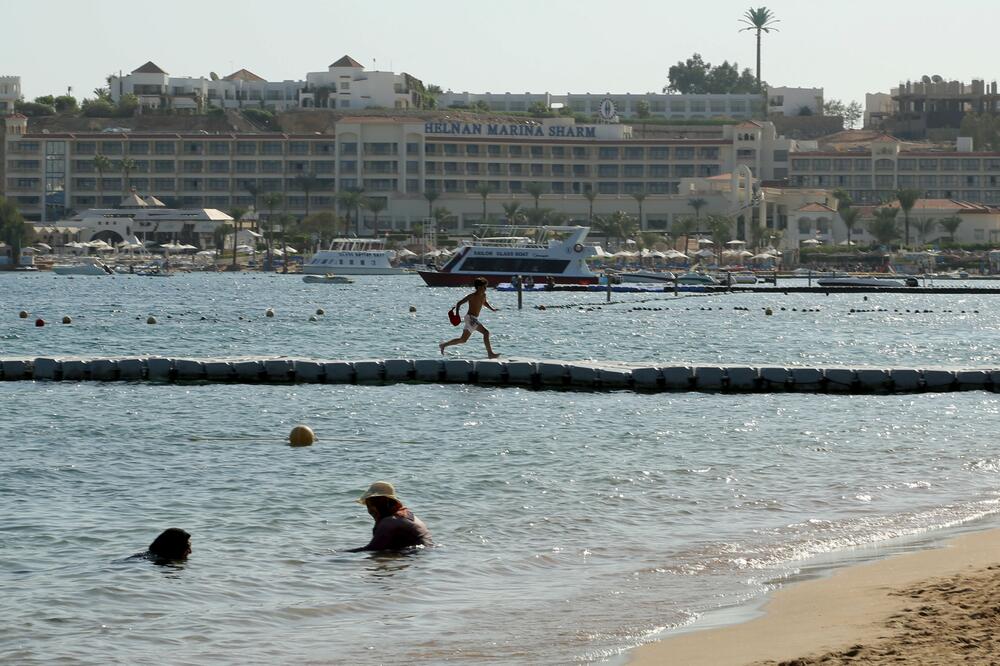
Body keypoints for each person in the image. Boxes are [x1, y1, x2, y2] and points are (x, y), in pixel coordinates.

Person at [347, 481, 432, 553]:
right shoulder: (406, 515)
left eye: (372, 505)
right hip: (423, 556)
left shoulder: (389, 522)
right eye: (368, 506)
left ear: (383, 503)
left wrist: (339, 554)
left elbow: (372, 549)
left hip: (417, 555)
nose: (370, 511)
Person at [439, 276, 500, 358]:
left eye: (486, 286)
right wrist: (457, 314)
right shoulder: (472, 296)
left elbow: (484, 302)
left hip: (473, 319)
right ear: (478, 287)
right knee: (486, 332)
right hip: (470, 318)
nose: (485, 288)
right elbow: (459, 303)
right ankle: (490, 353)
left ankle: (444, 345)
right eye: (484, 287)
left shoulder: (483, 295)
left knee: (463, 340)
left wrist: (492, 309)